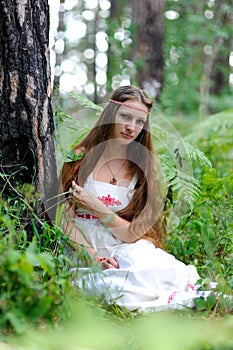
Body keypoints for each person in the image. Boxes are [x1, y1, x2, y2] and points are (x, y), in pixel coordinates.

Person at [59, 85, 207, 312]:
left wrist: (97, 207)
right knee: (118, 288)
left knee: (162, 270)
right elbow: (63, 217)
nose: (131, 127)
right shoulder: (79, 157)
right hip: (84, 249)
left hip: (124, 248)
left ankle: (200, 296)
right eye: (125, 117)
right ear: (110, 115)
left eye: (139, 122)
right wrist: (93, 258)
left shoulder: (141, 169)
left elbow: (131, 233)